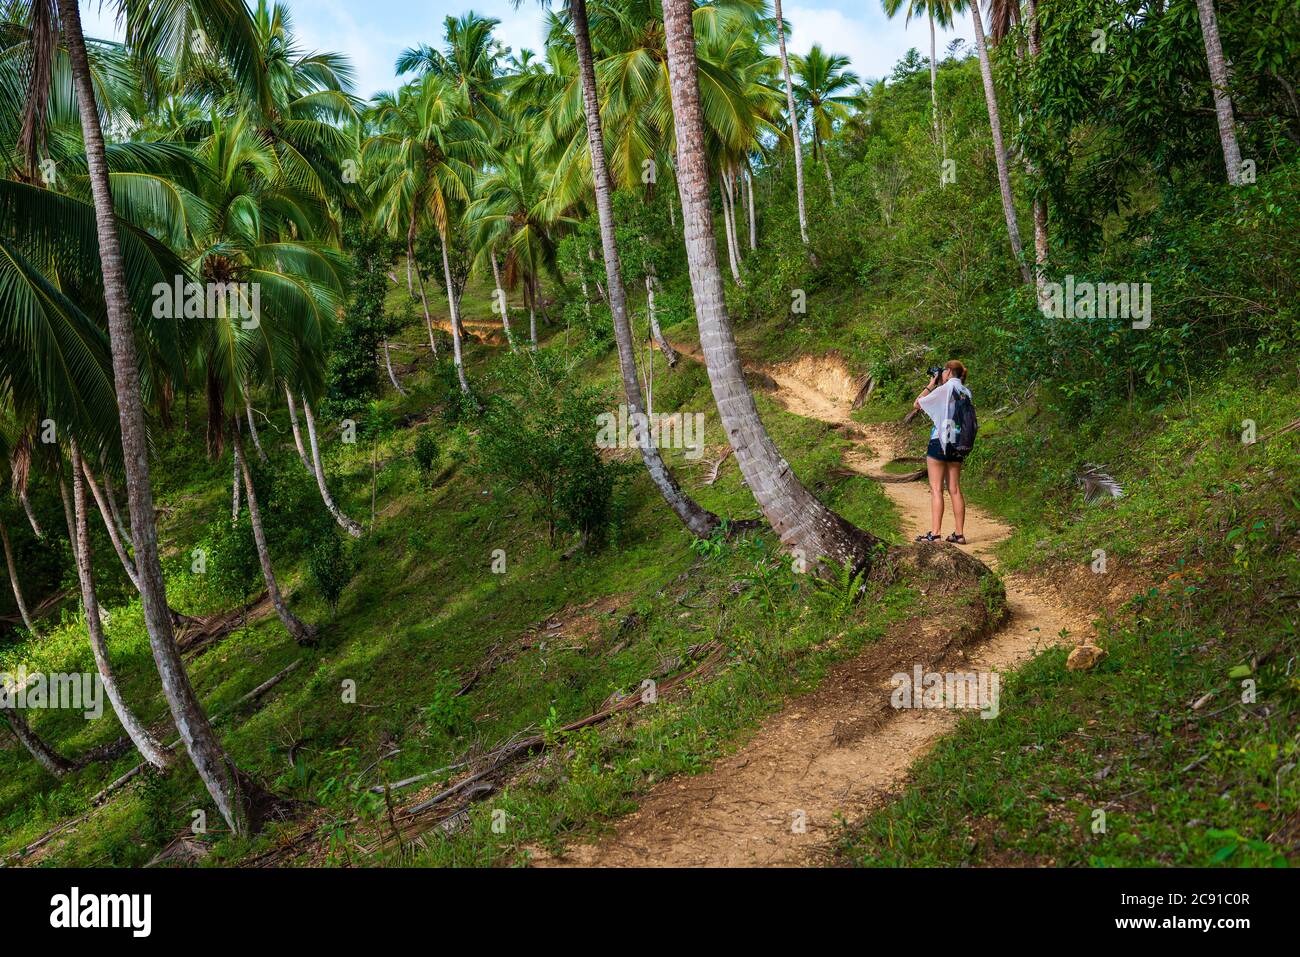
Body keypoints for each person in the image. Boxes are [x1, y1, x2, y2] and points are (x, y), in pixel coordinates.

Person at [912, 360, 970, 545]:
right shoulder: (966, 392)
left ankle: (935, 533)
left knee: (937, 489)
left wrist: (931, 383)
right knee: (955, 489)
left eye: (944, 370)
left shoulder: (944, 390)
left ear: (949, 371)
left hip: (940, 441)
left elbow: (917, 404)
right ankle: (959, 534)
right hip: (958, 441)